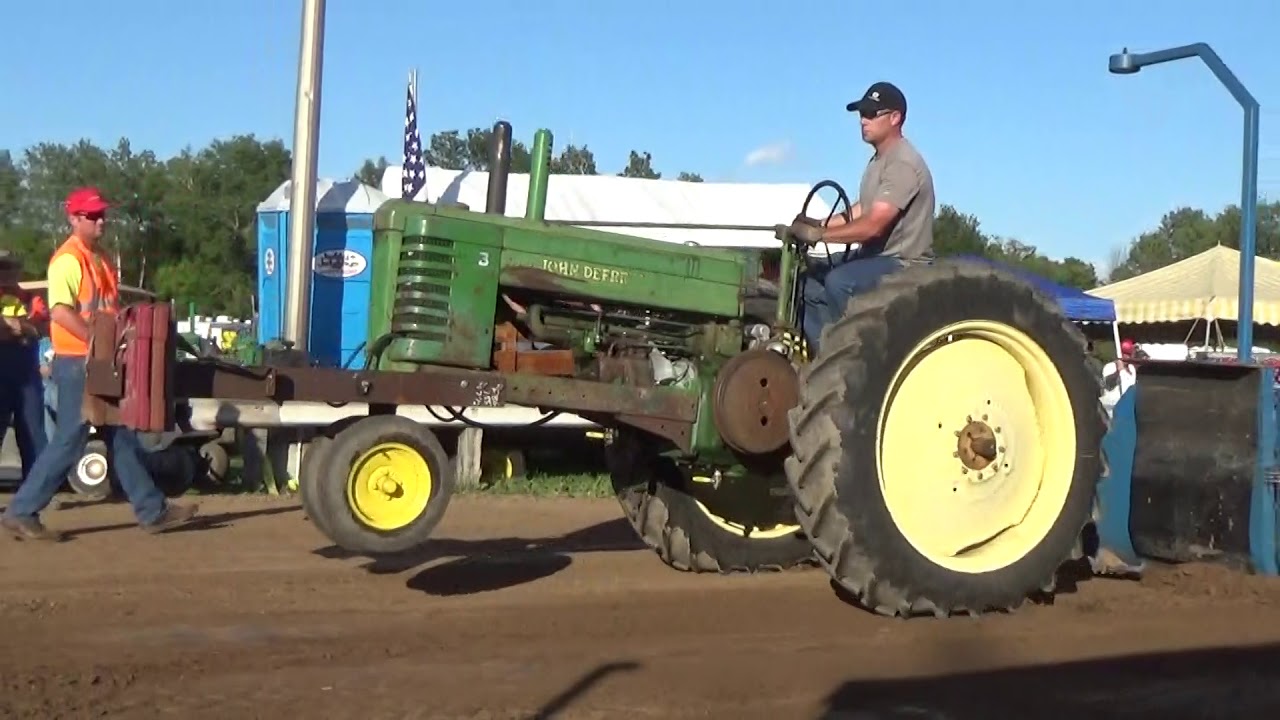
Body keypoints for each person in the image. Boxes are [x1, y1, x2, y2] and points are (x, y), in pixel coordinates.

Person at [1, 187, 198, 541]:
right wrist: (96, 343)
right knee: (71, 440)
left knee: (119, 434)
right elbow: (60, 311)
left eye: (102, 214)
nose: (100, 220)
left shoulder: (101, 258)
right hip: (79, 361)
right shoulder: (68, 259)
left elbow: (108, 309)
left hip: (95, 359)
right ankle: (21, 510)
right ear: (73, 218)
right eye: (92, 216)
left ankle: (153, 510)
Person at [797, 81, 936, 354]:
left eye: (872, 113)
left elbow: (873, 226)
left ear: (895, 118)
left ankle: (853, 357)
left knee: (840, 281)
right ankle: (823, 356)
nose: (863, 120)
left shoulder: (903, 163)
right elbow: (863, 209)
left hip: (904, 262)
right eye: (862, 113)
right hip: (877, 258)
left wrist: (819, 235)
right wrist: (816, 224)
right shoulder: (878, 161)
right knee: (807, 281)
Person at [0, 251, 50, 487]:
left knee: (33, 433)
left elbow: (41, 327)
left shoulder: (30, 297)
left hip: (25, 372)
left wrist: (19, 327)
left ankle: (37, 490)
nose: (7, 272)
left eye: (11, 267)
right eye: (2, 267)